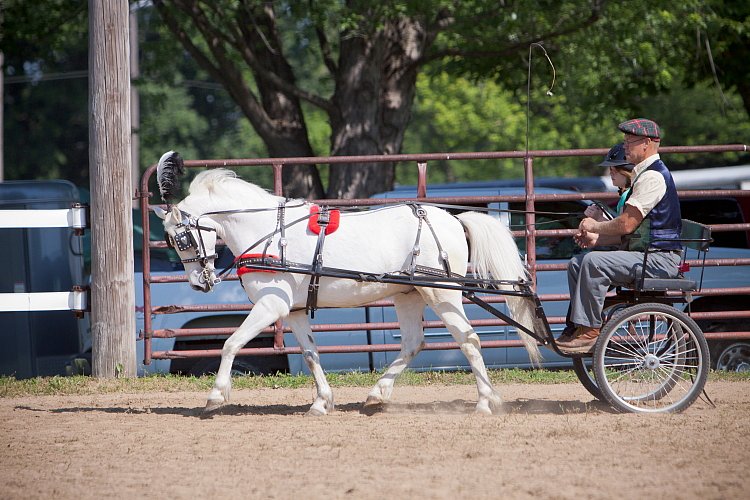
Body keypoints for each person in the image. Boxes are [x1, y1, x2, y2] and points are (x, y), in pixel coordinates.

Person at [557, 119, 683, 353]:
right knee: (577, 263)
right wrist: (597, 239)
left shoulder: (653, 177)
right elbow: (632, 233)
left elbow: (626, 225)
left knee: (594, 262)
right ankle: (576, 326)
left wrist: (594, 226)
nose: (625, 147)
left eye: (629, 142)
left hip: (658, 259)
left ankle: (591, 330)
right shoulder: (641, 176)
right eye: (625, 142)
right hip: (644, 253)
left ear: (647, 143)